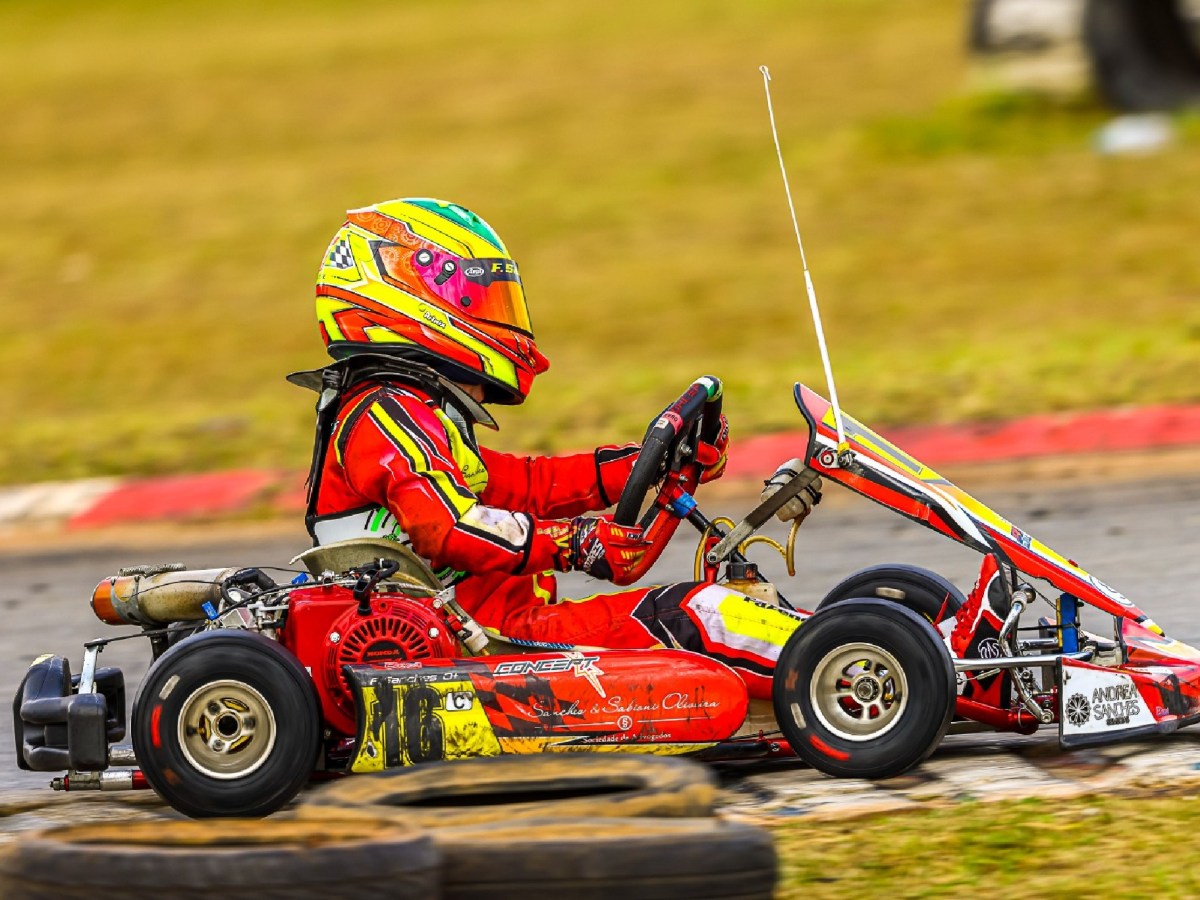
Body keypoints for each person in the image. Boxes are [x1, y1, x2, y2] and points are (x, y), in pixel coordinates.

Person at [298, 197, 820, 698]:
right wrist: (576, 542)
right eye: (476, 300)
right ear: (405, 296)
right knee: (702, 615)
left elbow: (525, 485)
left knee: (720, 607)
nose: (497, 317)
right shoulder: (382, 414)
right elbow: (449, 528)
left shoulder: (411, 411)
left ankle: (855, 643)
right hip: (475, 646)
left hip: (484, 629)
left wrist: (647, 462)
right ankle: (854, 665)